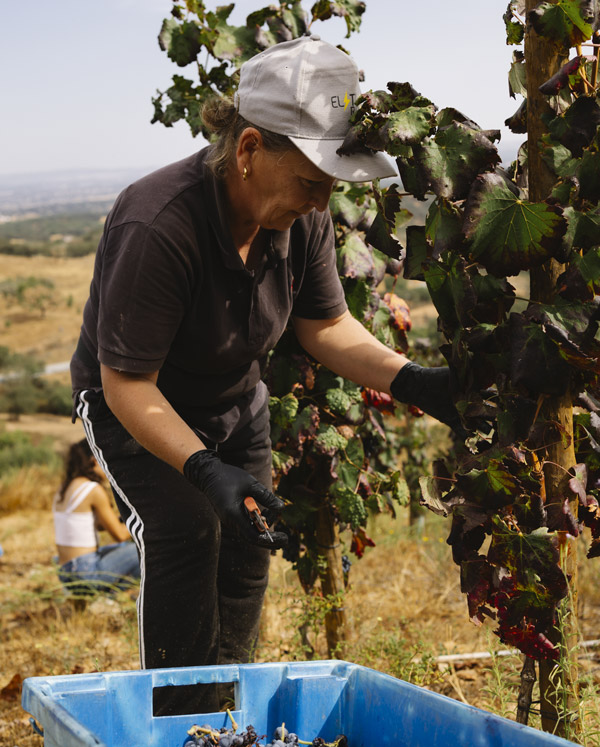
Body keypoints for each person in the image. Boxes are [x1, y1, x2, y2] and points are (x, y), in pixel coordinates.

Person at [69, 35, 459, 693]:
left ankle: (227, 719)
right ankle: (179, 721)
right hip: (133, 405)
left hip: (234, 401)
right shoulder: (159, 224)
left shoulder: (300, 216)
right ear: (249, 149)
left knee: (250, 538)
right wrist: (201, 467)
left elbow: (325, 325)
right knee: (188, 530)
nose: (321, 202)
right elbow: (127, 384)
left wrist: (415, 381)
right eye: (310, 182)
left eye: (330, 185)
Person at [53, 439, 140, 596]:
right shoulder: (93, 490)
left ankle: (102, 595)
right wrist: (142, 519)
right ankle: (110, 595)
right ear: (94, 460)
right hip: (85, 573)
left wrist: (119, 520)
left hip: (65, 572)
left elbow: (97, 526)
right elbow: (120, 535)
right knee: (142, 550)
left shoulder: (64, 488)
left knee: (122, 549)